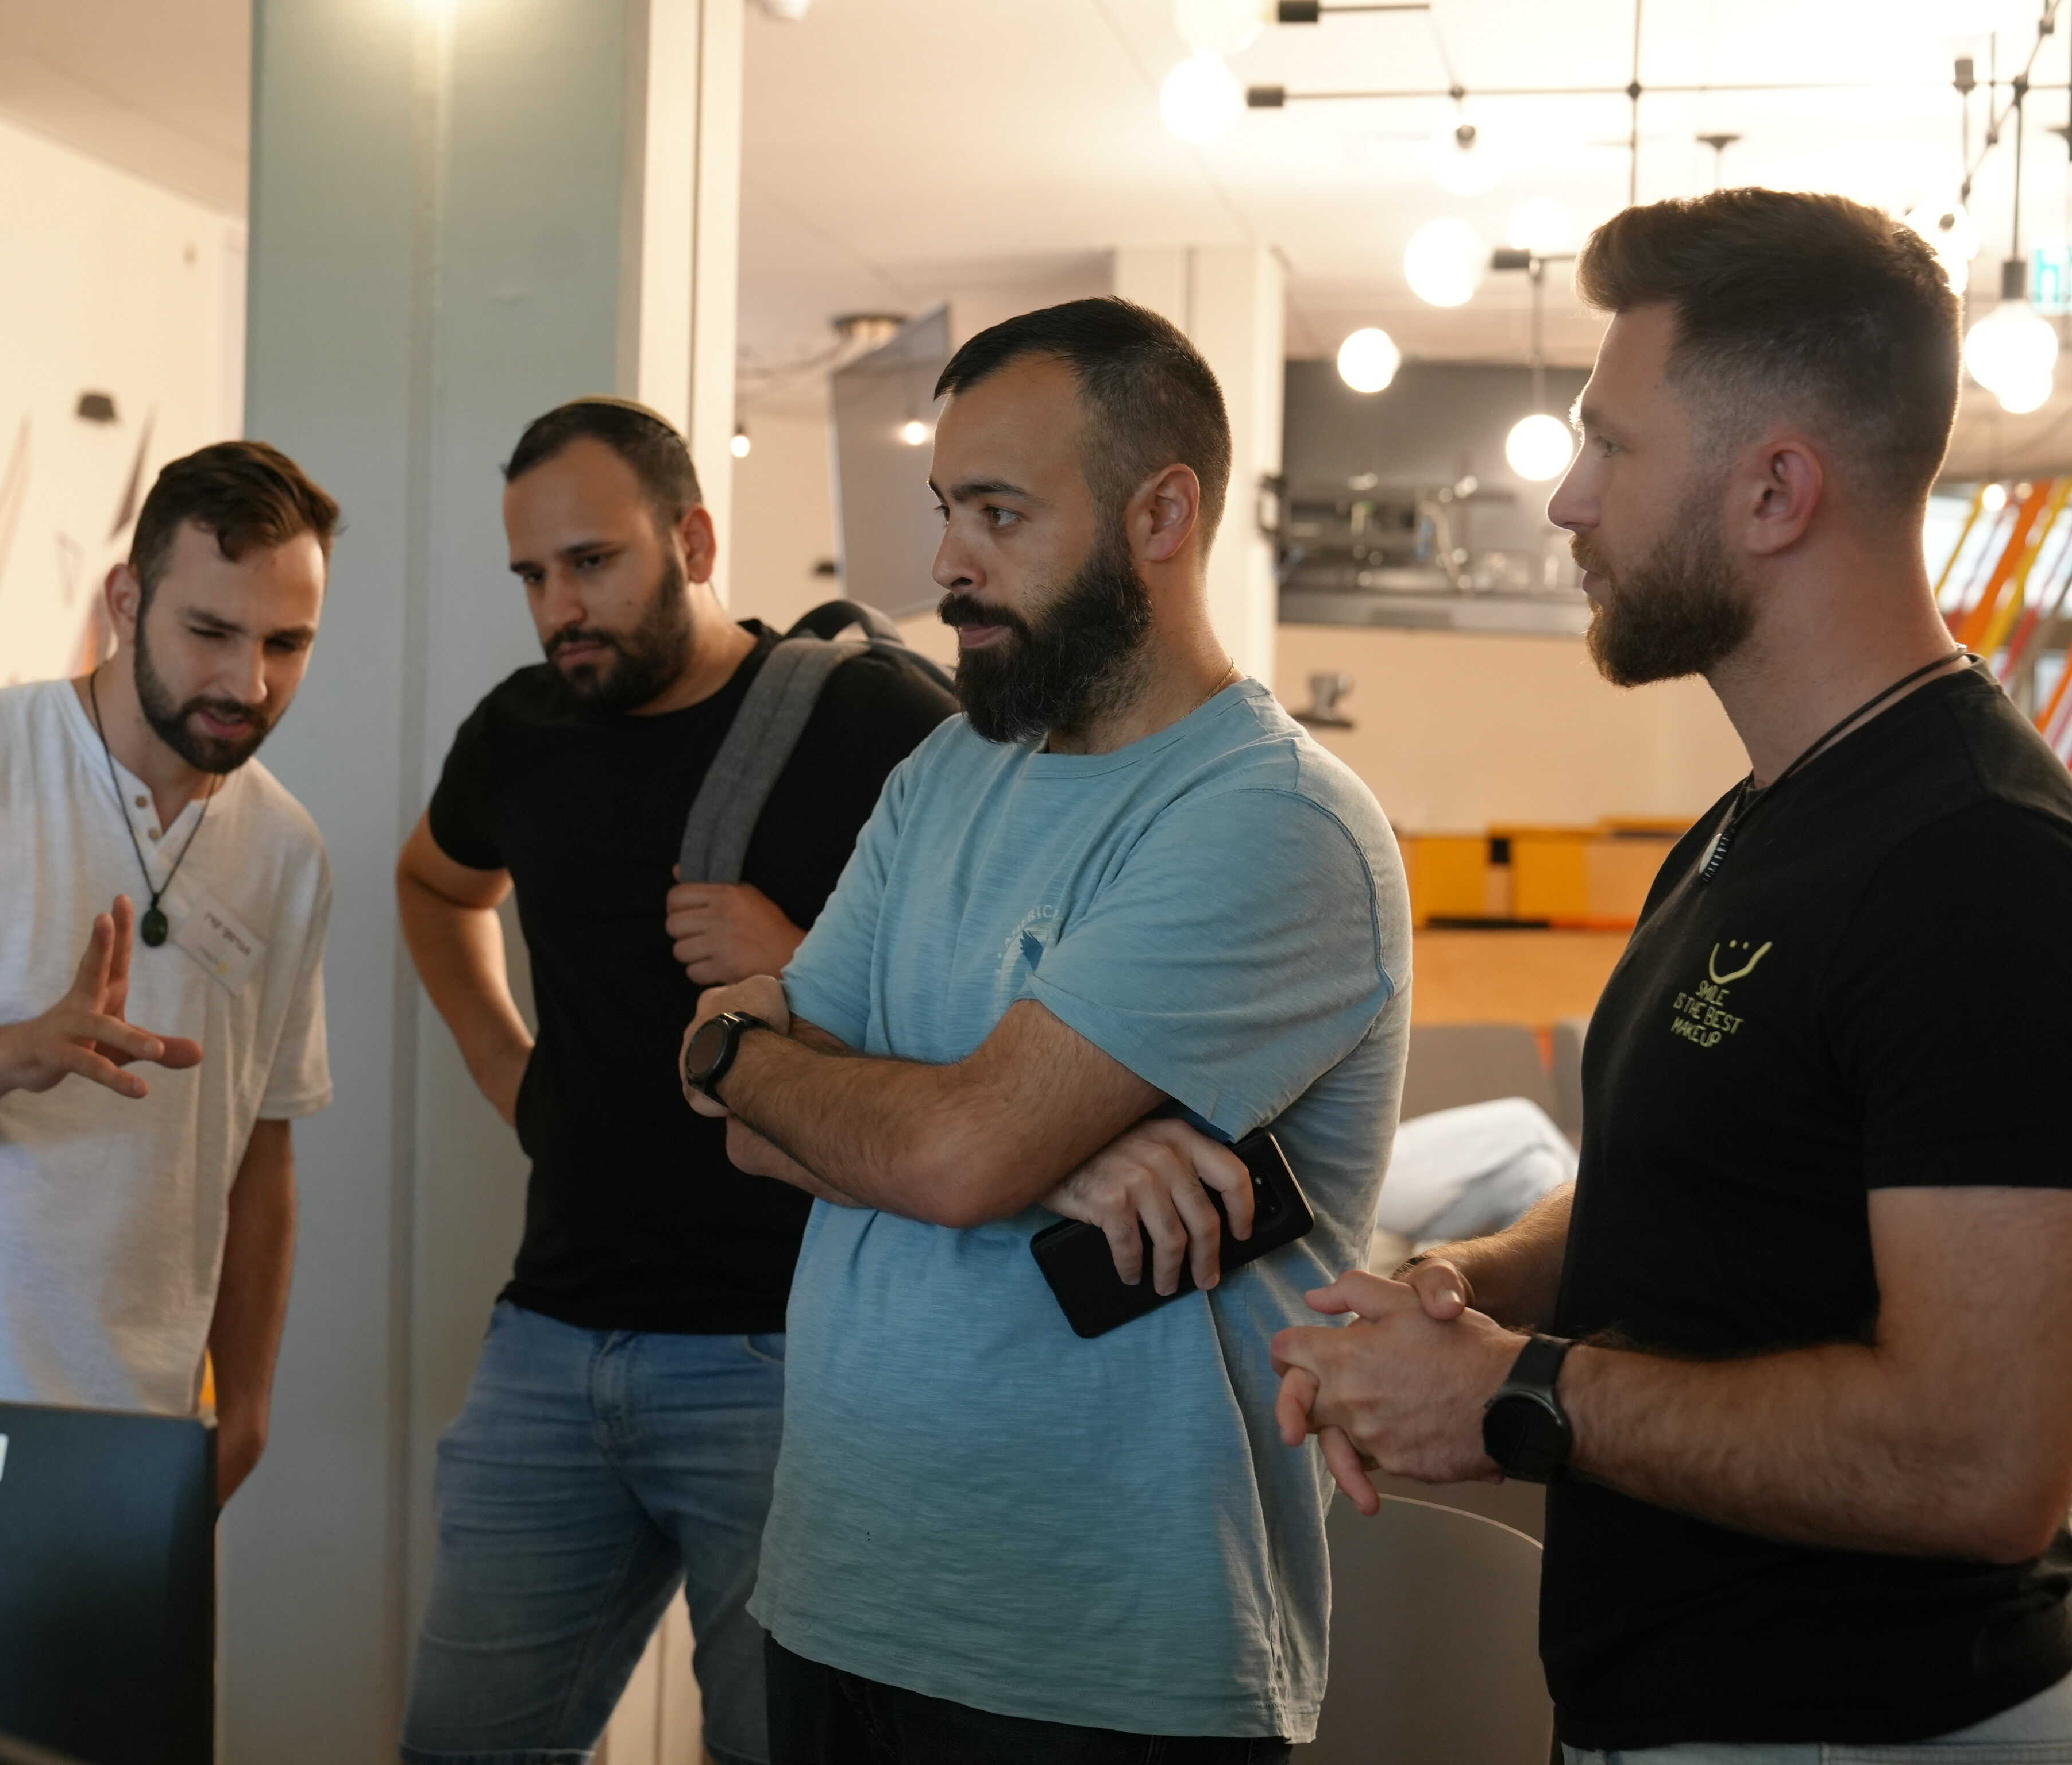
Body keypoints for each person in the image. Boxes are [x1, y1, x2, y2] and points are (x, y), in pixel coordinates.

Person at [1270, 190, 2072, 1763]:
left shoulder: (1981, 864)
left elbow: (1981, 1463)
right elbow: (1702, 1189)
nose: (1567, 500)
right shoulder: (1754, 822)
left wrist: (1519, 1393)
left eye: (1611, 446)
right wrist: (1469, 1292)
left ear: (1775, 490)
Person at [678, 297, 1410, 1763]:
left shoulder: (1273, 823)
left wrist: (747, 1053)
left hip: (1103, 1660)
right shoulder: (947, 775)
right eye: (946, 509)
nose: (949, 563)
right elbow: (764, 1134)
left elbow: (942, 1155)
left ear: (1162, 515)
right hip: (838, 1594)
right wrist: (1010, 1142)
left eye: (1000, 514)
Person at [395, 398, 955, 1765]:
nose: (558, 608)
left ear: (693, 542)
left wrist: (799, 959)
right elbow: (434, 882)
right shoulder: (523, 730)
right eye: (533, 575)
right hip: (550, 1339)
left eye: (592, 563)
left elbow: (998, 995)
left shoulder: (873, 720)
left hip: (788, 1359)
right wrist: (506, 1066)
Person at [0, 441, 335, 1504]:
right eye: (210, 632)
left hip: (142, 1434)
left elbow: (262, 1147)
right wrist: (19, 1055)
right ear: (125, 601)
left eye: (286, 643)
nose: (248, 683)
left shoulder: (288, 851)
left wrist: (247, 1407)